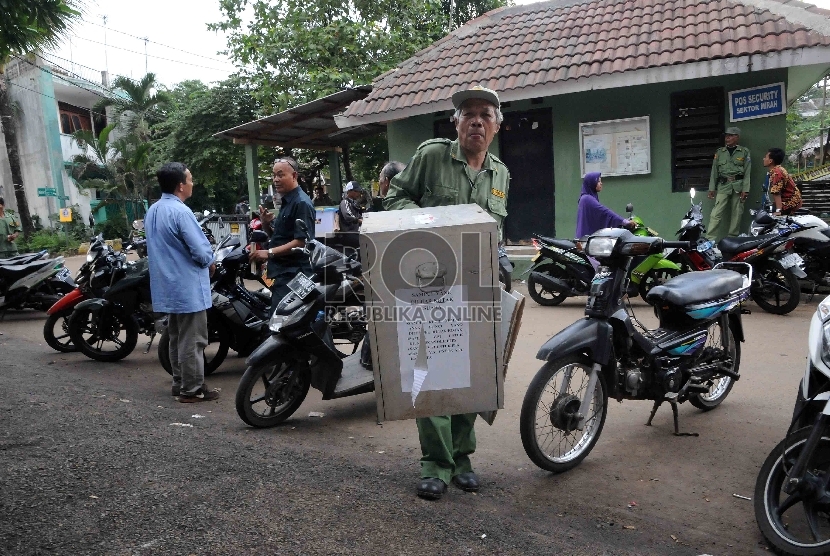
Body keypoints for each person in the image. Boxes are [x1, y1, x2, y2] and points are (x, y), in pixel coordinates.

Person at [385, 85, 509, 501]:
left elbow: (495, 229)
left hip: (474, 285)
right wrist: (428, 223)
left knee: (470, 373)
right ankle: (435, 464)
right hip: (429, 281)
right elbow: (396, 197)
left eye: (486, 115)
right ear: (455, 122)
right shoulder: (432, 155)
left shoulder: (500, 173)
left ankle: (462, 458)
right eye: (468, 114)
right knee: (431, 370)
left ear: (495, 126)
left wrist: (501, 259)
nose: (477, 120)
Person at [144, 162, 218, 402]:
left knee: (176, 337)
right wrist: (211, 260)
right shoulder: (181, 212)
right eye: (190, 179)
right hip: (187, 286)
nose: (192, 183)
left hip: (167, 285)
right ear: (180, 185)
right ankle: (192, 389)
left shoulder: (153, 210)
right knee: (193, 340)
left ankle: (180, 383)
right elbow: (201, 252)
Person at [248, 157, 316, 310]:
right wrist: (265, 224)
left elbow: (301, 242)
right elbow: (281, 238)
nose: (276, 180)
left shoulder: (301, 203)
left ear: (294, 176)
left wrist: (269, 252)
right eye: (274, 175)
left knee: (281, 324)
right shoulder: (287, 202)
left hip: (295, 275)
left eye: (280, 175)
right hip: (283, 274)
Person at [707, 127, 751, 242]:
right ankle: (710, 239)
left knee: (737, 213)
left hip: (738, 185)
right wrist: (712, 188)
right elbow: (714, 171)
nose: (728, 138)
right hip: (723, 185)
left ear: (737, 137)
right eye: (727, 136)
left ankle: (732, 239)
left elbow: (747, 172)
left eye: (731, 136)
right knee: (716, 213)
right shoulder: (720, 152)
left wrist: (745, 189)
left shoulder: (744, 152)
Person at [575, 172, 635, 238]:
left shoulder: (587, 197)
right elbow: (605, 212)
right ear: (592, 183)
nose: (601, 183)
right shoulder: (587, 198)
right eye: (598, 181)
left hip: (586, 239)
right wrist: (624, 222)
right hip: (586, 241)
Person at [764, 147, 802, 216]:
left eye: (766, 157)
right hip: (793, 201)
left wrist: (779, 210)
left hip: (790, 203)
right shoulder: (779, 169)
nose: (763, 159)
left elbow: (776, 192)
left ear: (770, 161)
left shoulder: (777, 172)